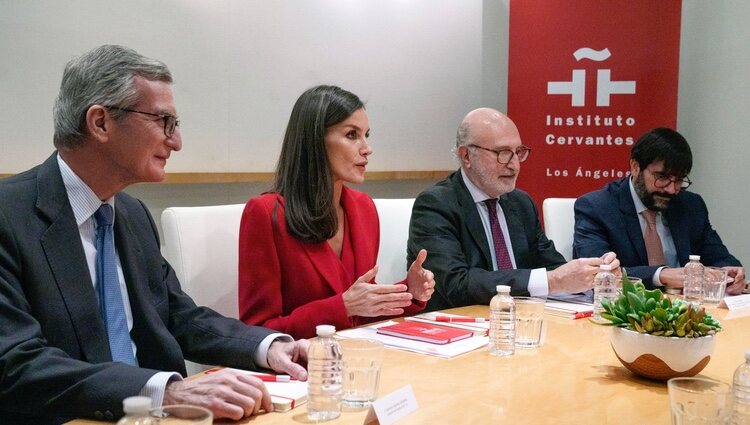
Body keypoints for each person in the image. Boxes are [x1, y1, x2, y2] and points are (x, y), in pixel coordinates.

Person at [0, 45, 309, 424]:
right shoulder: (8, 216)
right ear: (100, 123)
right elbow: (16, 363)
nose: (176, 141)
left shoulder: (130, 213)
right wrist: (169, 390)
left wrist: (268, 346)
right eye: (164, 121)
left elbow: (177, 314)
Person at [239, 85, 435, 339]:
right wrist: (341, 307)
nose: (367, 148)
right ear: (315, 141)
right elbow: (257, 331)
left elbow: (361, 311)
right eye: (352, 135)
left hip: (357, 359)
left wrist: (409, 292)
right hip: (301, 367)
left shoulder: (364, 208)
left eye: (366, 135)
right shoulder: (266, 213)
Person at [407, 108, 619, 311]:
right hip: (460, 327)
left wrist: (593, 273)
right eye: (503, 153)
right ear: (466, 156)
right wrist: (554, 280)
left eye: (518, 152)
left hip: (522, 322)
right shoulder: (436, 204)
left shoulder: (520, 203)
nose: (515, 164)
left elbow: (552, 266)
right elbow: (456, 284)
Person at [573, 127, 745, 292]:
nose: (671, 189)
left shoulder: (691, 205)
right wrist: (661, 275)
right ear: (635, 167)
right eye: (662, 177)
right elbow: (597, 273)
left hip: (687, 311)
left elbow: (717, 255)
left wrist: (730, 272)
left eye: (679, 180)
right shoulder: (597, 207)